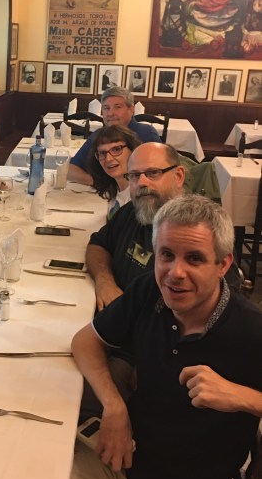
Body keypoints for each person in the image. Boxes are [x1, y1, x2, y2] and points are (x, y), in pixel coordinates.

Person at [67, 195, 262, 479]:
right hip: (119, 459)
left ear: (223, 264)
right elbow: (85, 342)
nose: (175, 272)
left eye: (195, 259)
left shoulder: (250, 330)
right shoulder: (149, 291)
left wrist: (243, 397)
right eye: (166, 255)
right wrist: (114, 406)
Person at [86, 142, 186, 311]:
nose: (142, 182)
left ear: (178, 176)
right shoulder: (133, 210)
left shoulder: (194, 234)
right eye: (134, 175)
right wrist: (104, 281)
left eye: (153, 173)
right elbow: (98, 244)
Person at [68, 87, 160, 187]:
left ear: (131, 110)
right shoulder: (99, 136)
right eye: (106, 108)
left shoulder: (146, 133)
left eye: (117, 107)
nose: (110, 113)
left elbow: (157, 174)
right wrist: (106, 186)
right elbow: (71, 169)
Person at [85, 125, 141, 219]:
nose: (108, 159)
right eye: (102, 153)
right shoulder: (115, 188)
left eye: (116, 149)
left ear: (133, 150)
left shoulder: (139, 197)